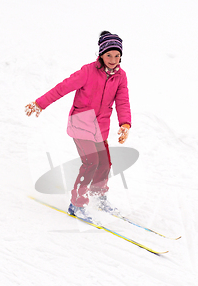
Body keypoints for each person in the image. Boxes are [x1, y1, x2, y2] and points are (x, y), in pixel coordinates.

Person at [25, 31, 131, 222]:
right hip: (81, 122)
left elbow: (123, 101)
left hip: (101, 126)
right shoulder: (87, 72)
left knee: (105, 163)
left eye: (117, 56)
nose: (113, 60)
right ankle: (77, 204)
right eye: (109, 55)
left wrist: (125, 124)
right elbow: (62, 88)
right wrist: (40, 103)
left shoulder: (121, 77)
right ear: (101, 54)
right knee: (91, 162)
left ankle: (99, 196)